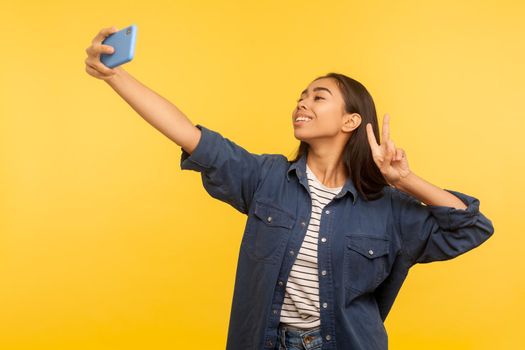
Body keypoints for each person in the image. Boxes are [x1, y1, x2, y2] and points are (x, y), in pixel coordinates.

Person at [85, 26, 495, 350]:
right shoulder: (265, 178)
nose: (302, 103)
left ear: (351, 121)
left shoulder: (386, 207)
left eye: (319, 97)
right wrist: (115, 76)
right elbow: (188, 134)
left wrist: (404, 179)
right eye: (301, 96)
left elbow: (471, 227)